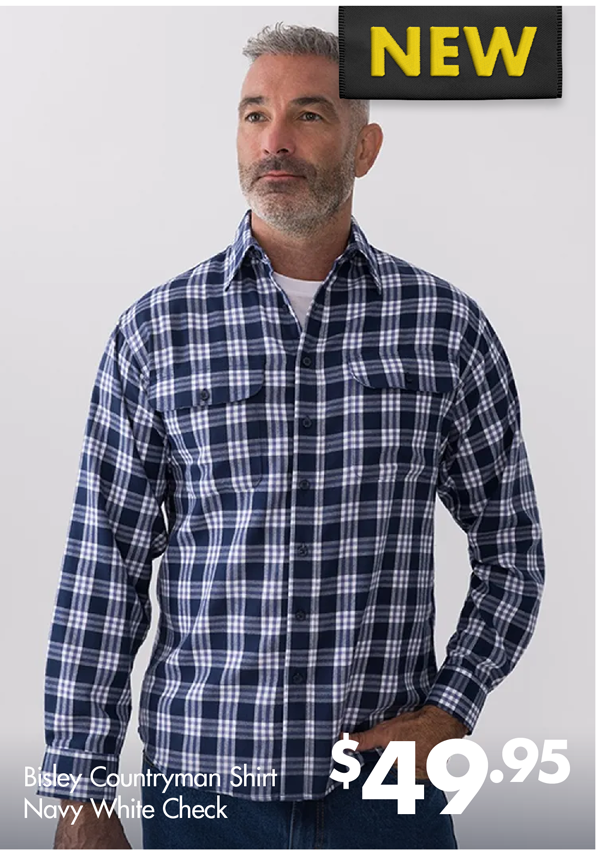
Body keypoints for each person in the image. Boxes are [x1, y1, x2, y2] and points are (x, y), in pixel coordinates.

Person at [41, 24, 545, 850]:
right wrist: (79, 791)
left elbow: (512, 551)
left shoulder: (445, 328)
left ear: (364, 147)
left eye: (309, 114)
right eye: (255, 115)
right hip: (204, 790)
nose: (274, 140)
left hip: (384, 792)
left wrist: (452, 708)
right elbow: (105, 569)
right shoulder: (156, 332)